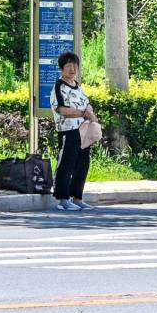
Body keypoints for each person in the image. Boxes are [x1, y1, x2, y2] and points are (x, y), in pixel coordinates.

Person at [51, 51, 97, 211]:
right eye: (68, 65)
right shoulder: (59, 86)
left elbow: (87, 104)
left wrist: (91, 116)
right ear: (62, 68)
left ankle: (77, 198)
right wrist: (84, 113)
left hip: (83, 131)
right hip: (68, 130)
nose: (72, 69)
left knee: (82, 164)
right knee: (66, 164)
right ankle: (63, 199)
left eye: (74, 65)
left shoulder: (79, 87)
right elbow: (62, 109)